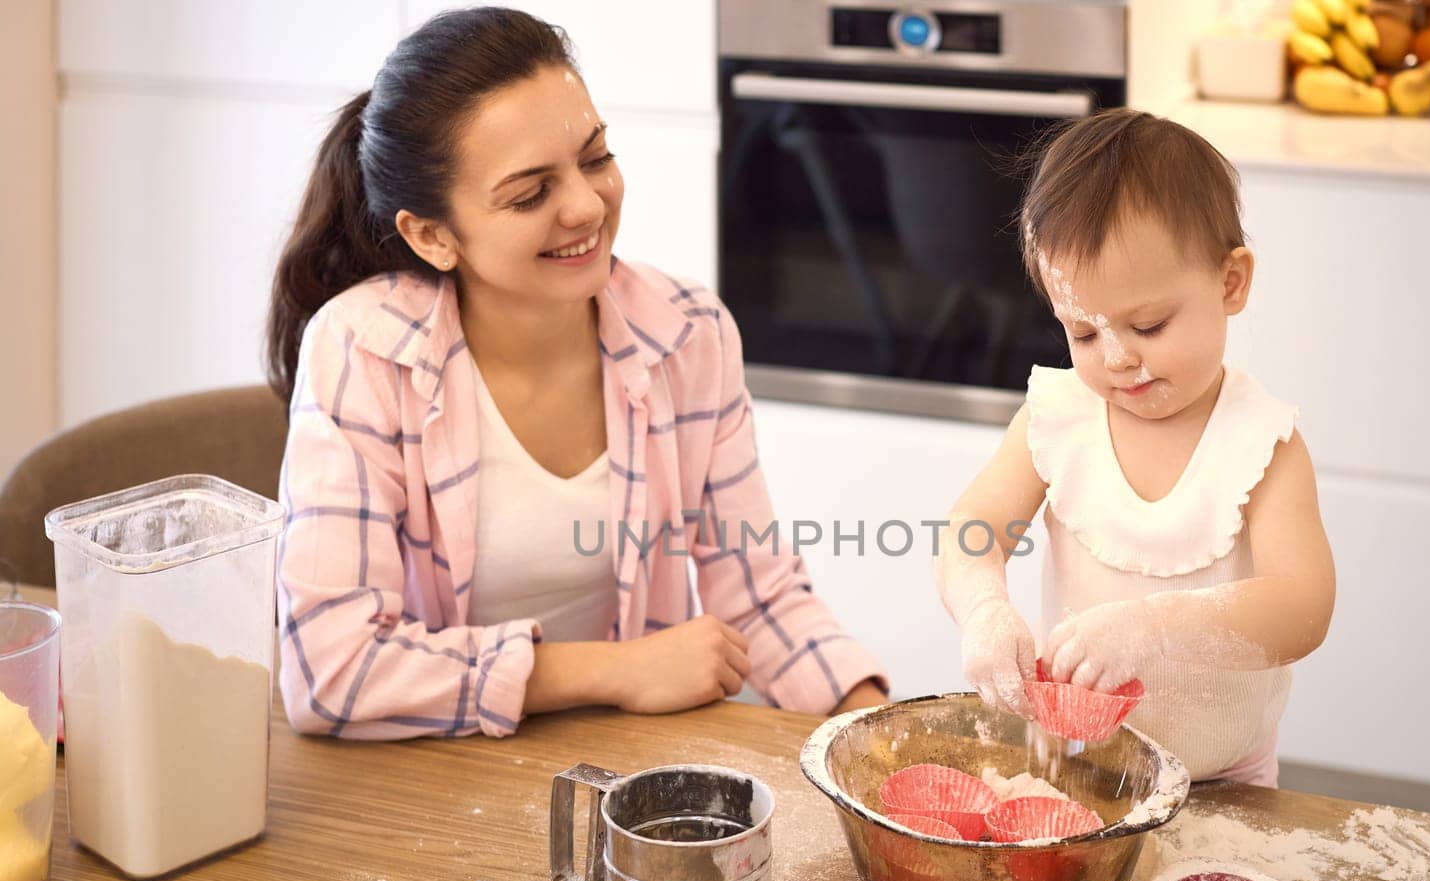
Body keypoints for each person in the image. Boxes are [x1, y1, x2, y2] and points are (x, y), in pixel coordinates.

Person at [267, 7, 887, 740]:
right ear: (432, 235)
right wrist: (614, 670)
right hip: (425, 776)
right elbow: (331, 669)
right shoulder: (365, 351)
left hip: (626, 766)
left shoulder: (688, 333)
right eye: (531, 194)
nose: (587, 205)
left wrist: (874, 728)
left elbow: (759, 597)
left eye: (595, 158)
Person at [935, 109, 1335, 786]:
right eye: (1083, 333)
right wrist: (982, 605)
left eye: (1147, 324)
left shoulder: (1262, 444)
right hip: (1080, 758)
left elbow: (1305, 606)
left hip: (1226, 776)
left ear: (1231, 282)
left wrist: (1158, 628)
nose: (1117, 357)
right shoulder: (1059, 417)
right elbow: (971, 530)